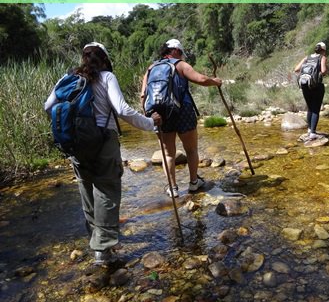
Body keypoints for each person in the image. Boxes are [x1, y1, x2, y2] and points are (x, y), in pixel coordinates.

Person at [45, 42, 162, 265]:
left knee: (87, 191)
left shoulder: (67, 77)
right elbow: (122, 109)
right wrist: (150, 123)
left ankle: (95, 241)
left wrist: (73, 126)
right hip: (104, 140)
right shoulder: (107, 77)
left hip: (75, 143)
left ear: (84, 58)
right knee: (107, 190)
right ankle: (103, 250)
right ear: (105, 60)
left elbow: (48, 106)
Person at [140, 39, 222, 198]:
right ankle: (193, 183)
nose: (182, 56)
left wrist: (148, 114)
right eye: (181, 53)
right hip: (183, 111)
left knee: (168, 154)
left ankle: (172, 188)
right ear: (176, 51)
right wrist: (216, 82)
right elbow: (201, 80)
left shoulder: (151, 68)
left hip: (161, 114)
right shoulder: (180, 65)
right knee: (191, 150)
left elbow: (143, 94)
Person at [294, 42, 328, 141]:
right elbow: (324, 71)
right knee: (315, 109)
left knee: (309, 108)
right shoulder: (322, 58)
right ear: (323, 50)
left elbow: (296, 69)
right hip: (316, 86)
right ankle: (313, 133)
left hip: (305, 85)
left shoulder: (306, 58)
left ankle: (309, 130)